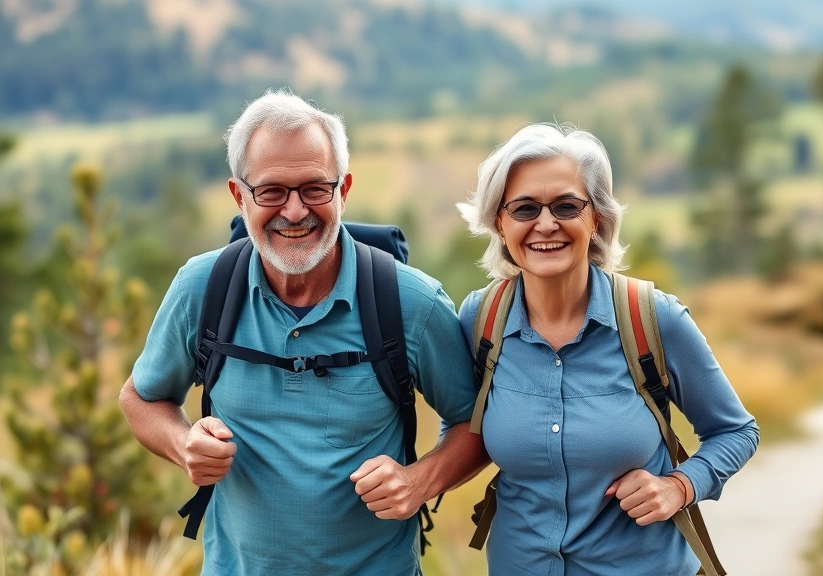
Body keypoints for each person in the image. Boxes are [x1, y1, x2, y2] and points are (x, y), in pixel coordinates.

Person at [119, 89, 488, 575]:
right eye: (271, 191)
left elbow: (477, 424)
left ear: (344, 189)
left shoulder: (411, 302)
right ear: (239, 195)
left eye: (315, 188)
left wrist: (420, 481)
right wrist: (184, 445)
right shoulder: (202, 288)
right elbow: (140, 399)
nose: (294, 211)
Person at [455, 123, 759, 575]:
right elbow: (462, 432)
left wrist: (679, 485)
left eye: (566, 206)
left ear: (595, 217)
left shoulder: (653, 319)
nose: (545, 223)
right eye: (523, 209)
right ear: (499, 222)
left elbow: (736, 431)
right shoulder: (481, 321)